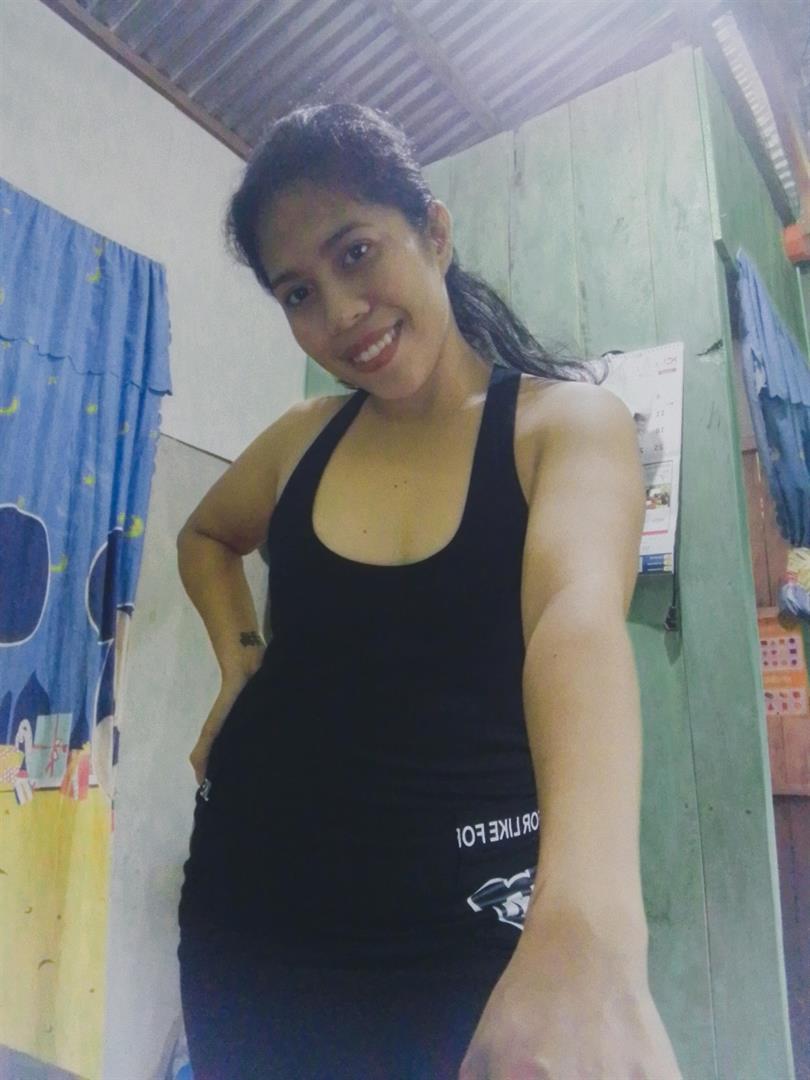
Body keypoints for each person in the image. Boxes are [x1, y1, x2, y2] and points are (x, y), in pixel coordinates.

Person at [176, 103, 681, 1079]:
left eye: (356, 253)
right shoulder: (300, 439)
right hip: (249, 921)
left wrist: (590, 925)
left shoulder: (565, 427)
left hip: (462, 936)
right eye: (299, 292)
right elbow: (205, 538)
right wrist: (239, 669)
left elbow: (575, 625)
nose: (339, 313)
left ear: (434, 233)